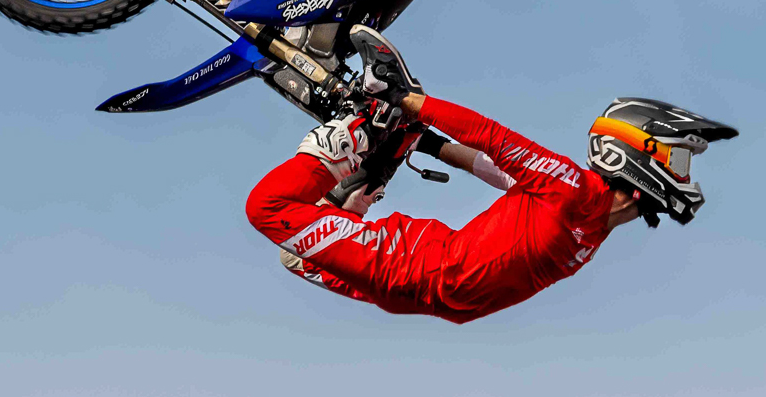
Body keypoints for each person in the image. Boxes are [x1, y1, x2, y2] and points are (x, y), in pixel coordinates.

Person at [245, 25, 738, 323]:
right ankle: (366, 163)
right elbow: (496, 162)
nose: (684, 176)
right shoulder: (586, 222)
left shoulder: (576, 196)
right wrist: (424, 135)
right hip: (416, 293)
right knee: (295, 257)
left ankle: (356, 134)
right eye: (679, 160)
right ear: (635, 153)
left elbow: (492, 140)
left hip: (414, 268)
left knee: (266, 208)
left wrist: (403, 100)